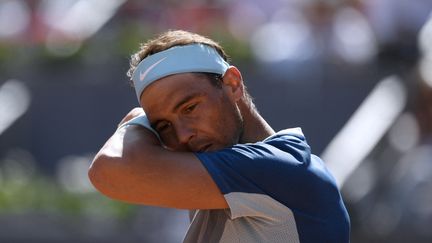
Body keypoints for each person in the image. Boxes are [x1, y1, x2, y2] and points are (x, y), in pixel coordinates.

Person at [88, 30, 350, 243]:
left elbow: (107, 171)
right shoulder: (234, 174)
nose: (183, 135)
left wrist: (139, 119)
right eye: (164, 126)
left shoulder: (280, 170)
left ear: (233, 84)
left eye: (189, 108)